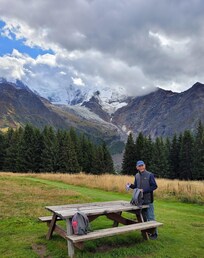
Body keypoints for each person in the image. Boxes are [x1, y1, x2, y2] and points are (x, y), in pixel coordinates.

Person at [126, 160, 158, 239]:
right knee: (143, 218)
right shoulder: (136, 175)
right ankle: (147, 233)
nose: (141, 167)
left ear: (145, 166)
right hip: (140, 201)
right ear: (137, 167)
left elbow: (154, 186)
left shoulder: (150, 175)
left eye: (142, 165)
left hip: (148, 200)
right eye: (139, 166)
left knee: (150, 217)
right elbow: (136, 186)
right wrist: (130, 185)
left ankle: (154, 234)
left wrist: (144, 190)